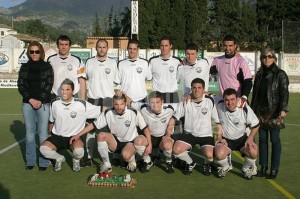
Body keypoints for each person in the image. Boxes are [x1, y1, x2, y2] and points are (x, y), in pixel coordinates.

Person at [70, 94, 152, 173]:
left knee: (130, 151)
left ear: (125, 103)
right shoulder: (108, 112)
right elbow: (93, 125)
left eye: (121, 104)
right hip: (116, 143)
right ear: (113, 103)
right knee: (101, 135)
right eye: (116, 104)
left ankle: (144, 161)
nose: (119, 107)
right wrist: (78, 135)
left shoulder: (133, 112)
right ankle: (107, 165)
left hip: (131, 142)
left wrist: (150, 145)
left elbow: (146, 129)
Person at [39, 79, 100, 172]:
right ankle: (59, 158)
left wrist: (116, 106)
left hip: (74, 137)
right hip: (57, 136)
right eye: (62, 89)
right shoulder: (54, 103)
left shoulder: (81, 104)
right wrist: (50, 132)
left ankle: (76, 160)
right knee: (43, 149)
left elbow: (100, 111)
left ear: (73, 91)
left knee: (79, 152)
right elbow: (51, 120)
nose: (64, 92)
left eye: (67, 89)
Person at [251, 48, 289, 179]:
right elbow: (255, 95)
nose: (267, 59)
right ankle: (263, 167)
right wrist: (252, 111)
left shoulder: (280, 74)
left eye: (269, 56)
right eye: (264, 57)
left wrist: (283, 110)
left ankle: (274, 169)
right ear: (261, 59)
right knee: (262, 141)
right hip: (260, 113)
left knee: (274, 140)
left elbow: (284, 94)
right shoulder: (259, 74)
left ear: (274, 58)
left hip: (274, 114)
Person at [81, 39, 118, 167]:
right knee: (90, 130)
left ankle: (112, 156)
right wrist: (83, 99)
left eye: (104, 47)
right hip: (93, 101)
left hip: (108, 101)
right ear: (96, 48)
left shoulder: (113, 63)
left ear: (107, 49)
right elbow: (83, 81)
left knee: (109, 129)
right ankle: (89, 157)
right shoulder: (89, 62)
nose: (102, 49)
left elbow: (117, 83)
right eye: (99, 47)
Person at [172, 78, 221, 175]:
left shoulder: (210, 100)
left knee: (210, 156)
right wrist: (168, 134)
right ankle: (191, 163)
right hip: (190, 134)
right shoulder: (185, 101)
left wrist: (219, 137)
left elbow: (217, 122)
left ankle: (207, 163)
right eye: (194, 88)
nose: (196, 90)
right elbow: (174, 118)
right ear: (191, 89)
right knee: (176, 150)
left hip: (206, 135)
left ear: (203, 89)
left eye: (199, 88)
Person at [17, 41, 54, 171]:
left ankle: (44, 162)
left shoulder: (47, 67)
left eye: (36, 51)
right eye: (32, 51)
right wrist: (31, 100)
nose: (34, 54)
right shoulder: (24, 67)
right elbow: (21, 85)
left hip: (43, 104)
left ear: (41, 52)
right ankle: (30, 161)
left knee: (43, 133)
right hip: (28, 104)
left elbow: (49, 85)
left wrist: (40, 100)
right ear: (29, 52)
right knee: (30, 134)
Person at [214, 88, 260, 179]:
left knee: (254, 152)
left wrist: (250, 138)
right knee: (219, 154)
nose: (230, 103)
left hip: (241, 139)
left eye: (232, 99)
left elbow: (256, 124)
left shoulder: (244, 107)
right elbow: (204, 94)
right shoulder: (219, 103)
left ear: (237, 99)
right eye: (227, 100)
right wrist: (189, 96)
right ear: (223, 99)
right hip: (226, 140)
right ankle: (226, 166)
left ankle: (246, 169)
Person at [131, 91, 176, 173]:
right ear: (149, 102)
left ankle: (169, 162)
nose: (155, 105)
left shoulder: (170, 108)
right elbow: (129, 101)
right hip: (148, 136)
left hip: (162, 137)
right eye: (152, 102)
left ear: (162, 102)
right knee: (138, 141)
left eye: (157, 102)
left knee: (168, 144)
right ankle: (147, 160)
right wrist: (121, 94)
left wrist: (190, 97)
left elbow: (185, 104)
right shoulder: (143, 107)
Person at [210, 35, 252, 99]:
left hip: (237, 100)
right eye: (225, 45)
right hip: (222, 100)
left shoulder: (241, 62)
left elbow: (248, 81)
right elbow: (210, 79)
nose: (227, 48)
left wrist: (244, 97)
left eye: (230, 46)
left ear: (235, 46)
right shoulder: (217, 61)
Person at [47, 35, 86, 100]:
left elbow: (82, 80)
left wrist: (83, 99)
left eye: (66, 44)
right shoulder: (50, 60)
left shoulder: (77, 60)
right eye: (61, 44)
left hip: (73, 96)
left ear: (70, 46)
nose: (63, 47)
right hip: (55, 95)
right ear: (57, 46)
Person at [149, 37, 182, 103]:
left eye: (166, 46)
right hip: (157, 95)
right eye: (162, 46)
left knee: (174, 113)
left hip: (172, 94)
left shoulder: (177, 61)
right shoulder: (152, 61)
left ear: (170, 46)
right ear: (159, 46)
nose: (164, 48)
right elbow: (148, 77)